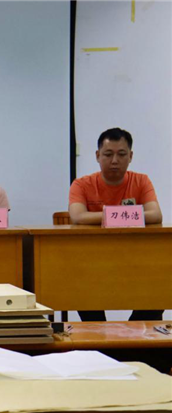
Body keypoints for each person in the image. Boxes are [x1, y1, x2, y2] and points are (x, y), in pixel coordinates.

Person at [69, 127, 163, 322]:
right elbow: (78, 216)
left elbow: (155, 215)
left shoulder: (141, 181)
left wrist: (106, 216)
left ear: (130, 156)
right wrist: (121, 215)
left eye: (121, 154)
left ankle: (136, 337)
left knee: (159, 287)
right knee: (80, 287)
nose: (114, 161)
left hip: (135, 259)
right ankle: (98, 337)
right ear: (97, 156)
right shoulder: (81, 184)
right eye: (108, 154)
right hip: (92, 261)